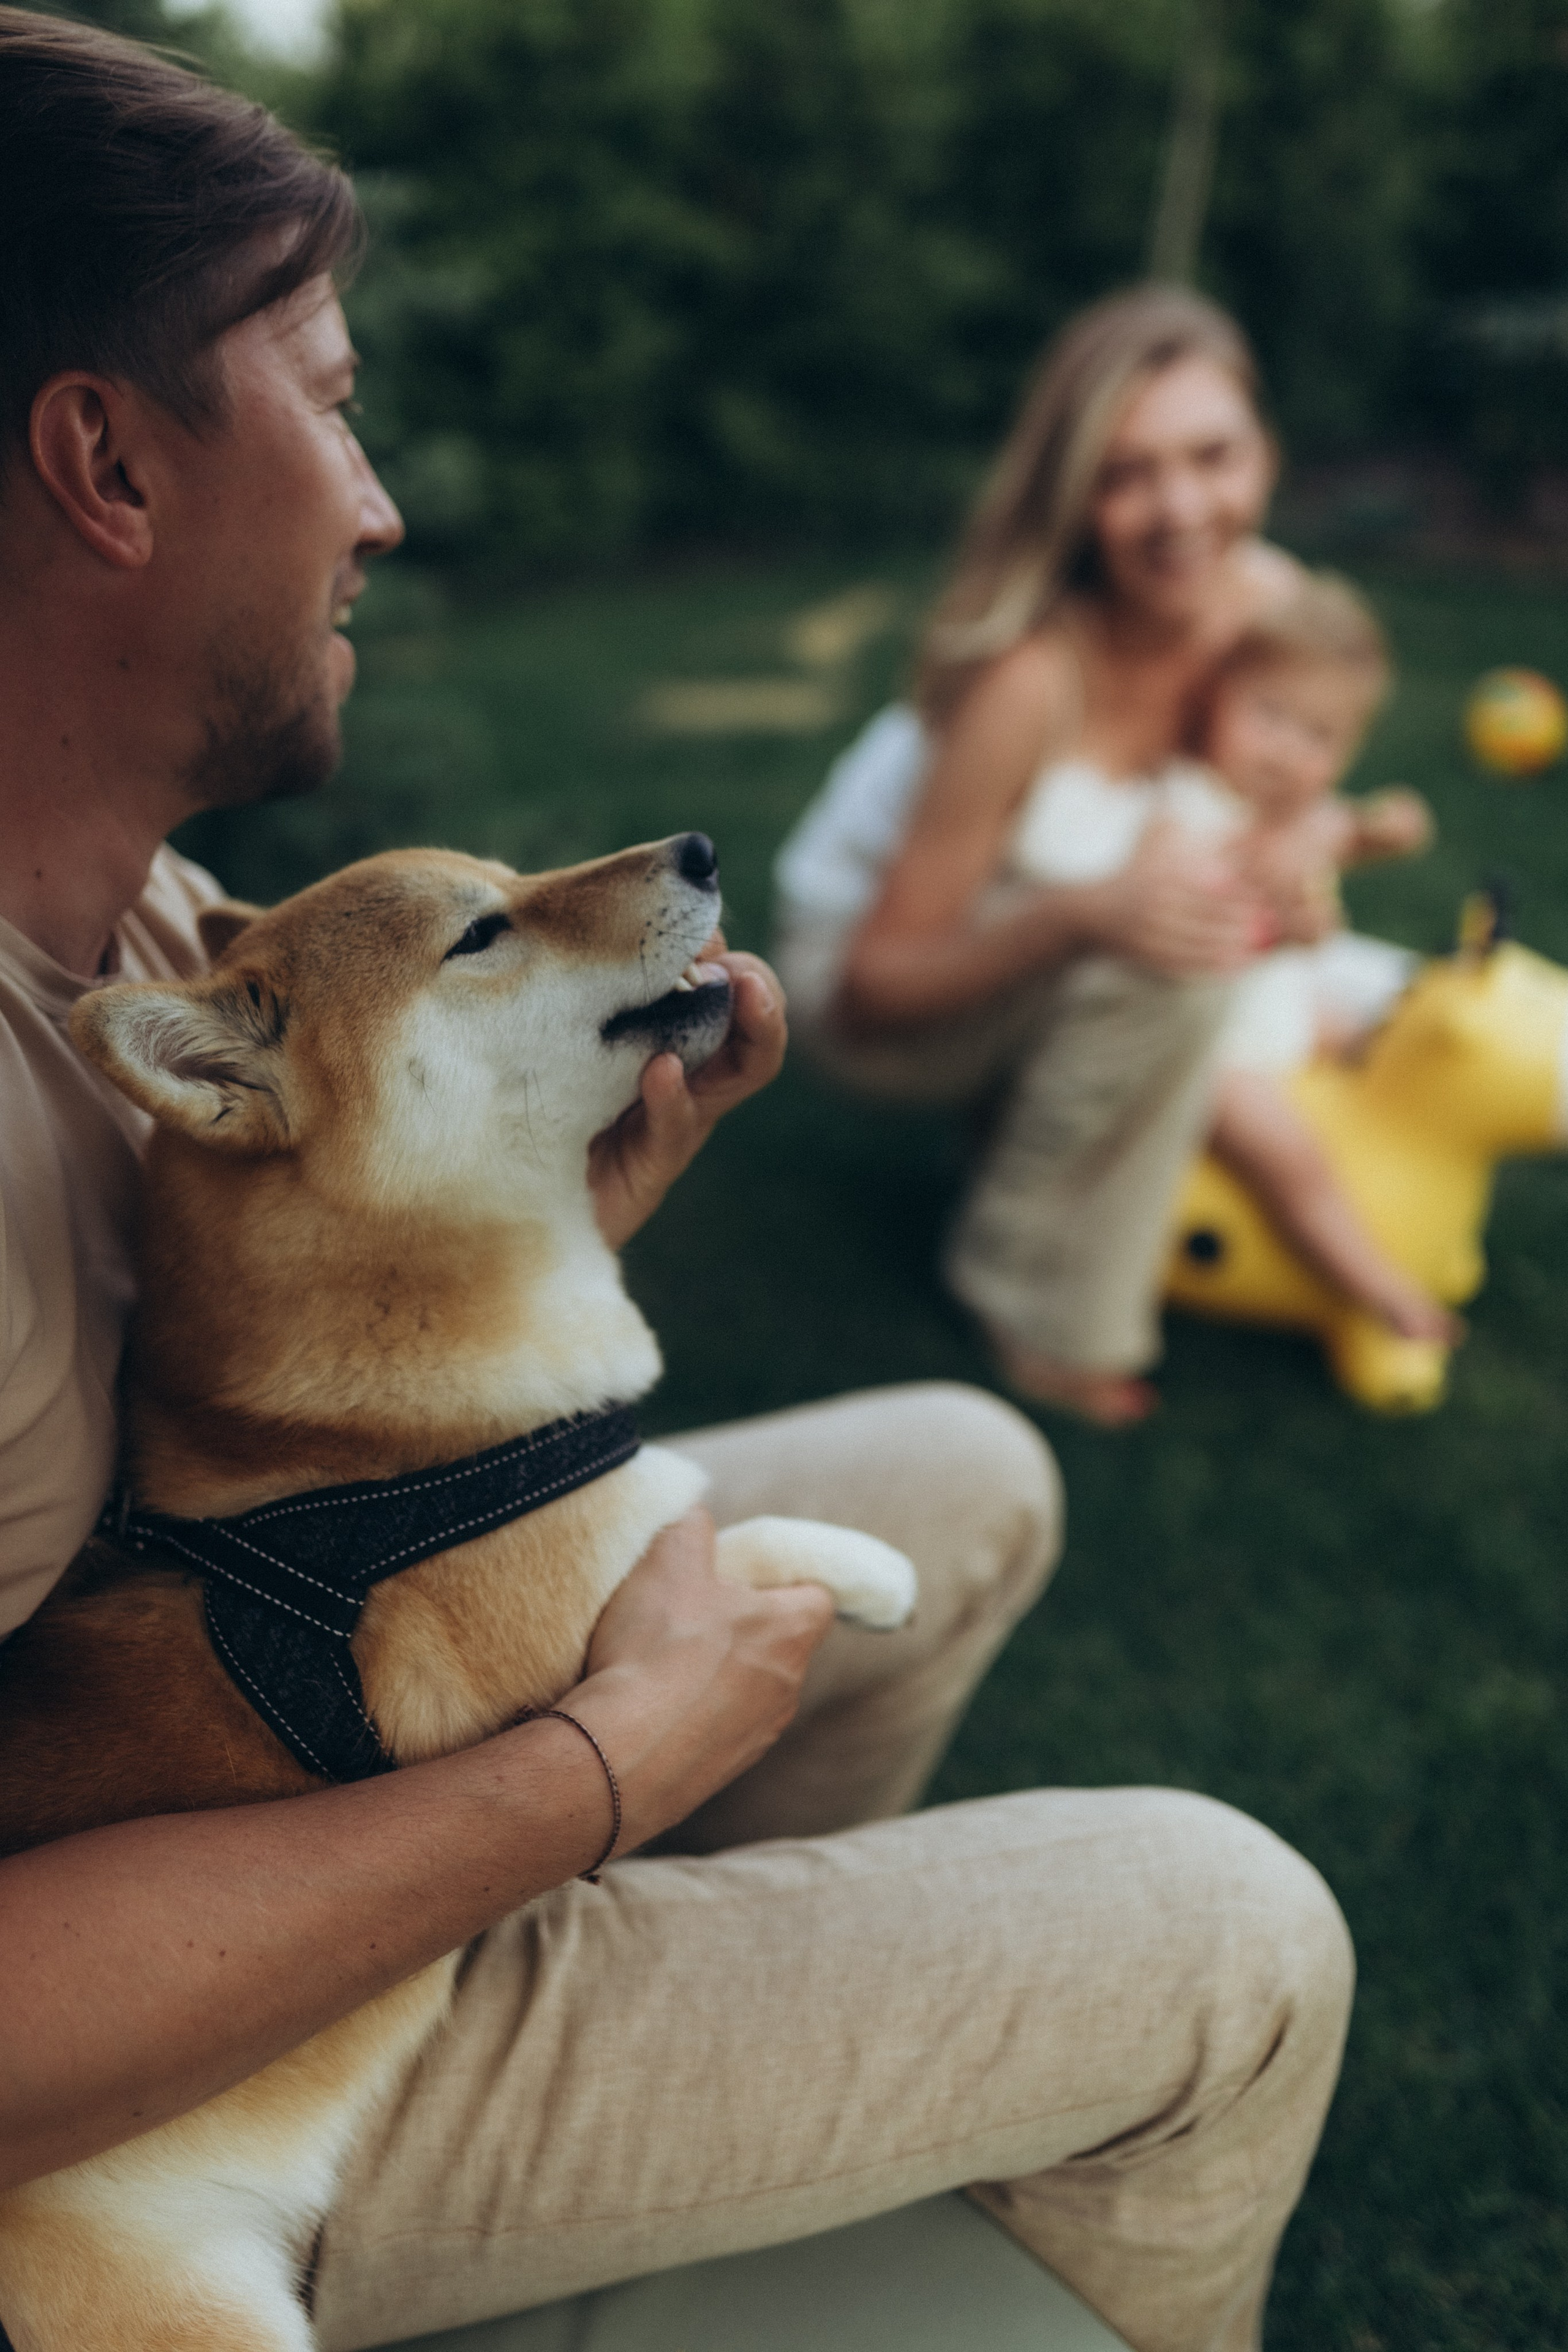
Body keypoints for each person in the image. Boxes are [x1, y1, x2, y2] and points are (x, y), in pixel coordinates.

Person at [0, 21, 1353, 2352]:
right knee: (1230, 1933)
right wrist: (595, 1772)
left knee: (963, 1474)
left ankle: (654, 2212)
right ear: (106, 462)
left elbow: (287, 1405)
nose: (379, 499)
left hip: (299, 1767)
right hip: (137, 2104)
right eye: (329, 401)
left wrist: (559, 1201)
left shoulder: (124, 916)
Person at [775, 287, 1301, 1427]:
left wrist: (1294, 863)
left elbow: (1281, 809)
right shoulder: (1025, 678)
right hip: (859, 990)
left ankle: (1024, 1125)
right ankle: (1034, 1299)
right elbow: (871, 995)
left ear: (1267, 449)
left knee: (1188, 914)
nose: (1182, 510)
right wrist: (1080, 920)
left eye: (1214, 455)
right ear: (1073, 497)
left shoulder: (1270, 607)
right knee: (1173, 951)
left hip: (1053, 917)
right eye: (1126, 474)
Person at [1183, 575, 1457, 1346]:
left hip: (1281, 1009)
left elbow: (1385, 830)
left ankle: (1429, 1185)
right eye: (1268, 715)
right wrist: (1294, 874)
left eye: (1319, 737)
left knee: (1389, 1045)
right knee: (1289, 1158)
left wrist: (1375, 834)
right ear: (1216, 697)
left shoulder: (1305, 814)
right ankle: (1374, 1286)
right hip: (1212, 1047)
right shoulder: (1193, 803)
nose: (1285, 751)